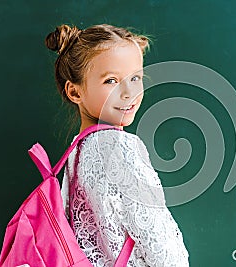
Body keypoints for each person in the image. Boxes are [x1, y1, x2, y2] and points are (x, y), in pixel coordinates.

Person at [45, 24, 189, 267]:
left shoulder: (78, 149)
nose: (128, 92)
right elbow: (161, 242)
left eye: (135, 78)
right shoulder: (118, 147)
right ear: (74, 91)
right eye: (111, 80)